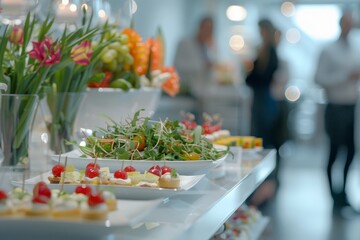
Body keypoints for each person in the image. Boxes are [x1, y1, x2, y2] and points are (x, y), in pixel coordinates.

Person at [314, 11, 360, 213]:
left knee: (351, 151)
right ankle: (333, 197)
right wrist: (345, 76)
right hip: (335, 106)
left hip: (351, 106)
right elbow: (318, 79)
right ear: (340, 23)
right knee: (334, 153)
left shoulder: (356, 48)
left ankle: (344, 194)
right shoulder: (328, 50)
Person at [245, 19, 280, 207]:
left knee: (262, 143)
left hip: (263, 101)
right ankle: (263, 186)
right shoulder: (267, 52)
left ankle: (265, 187)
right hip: (263, 100)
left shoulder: (269, 52)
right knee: (262, 141)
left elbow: (253, 79)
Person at [174, 16, 216, 108]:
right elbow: (178, 65)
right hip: (186, 92)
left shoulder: (207, 47)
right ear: (200, 27)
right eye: (206, 28)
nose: (207, 32)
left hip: (203, 94)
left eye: (210, 30)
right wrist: (202, 65)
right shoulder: (185, 43)